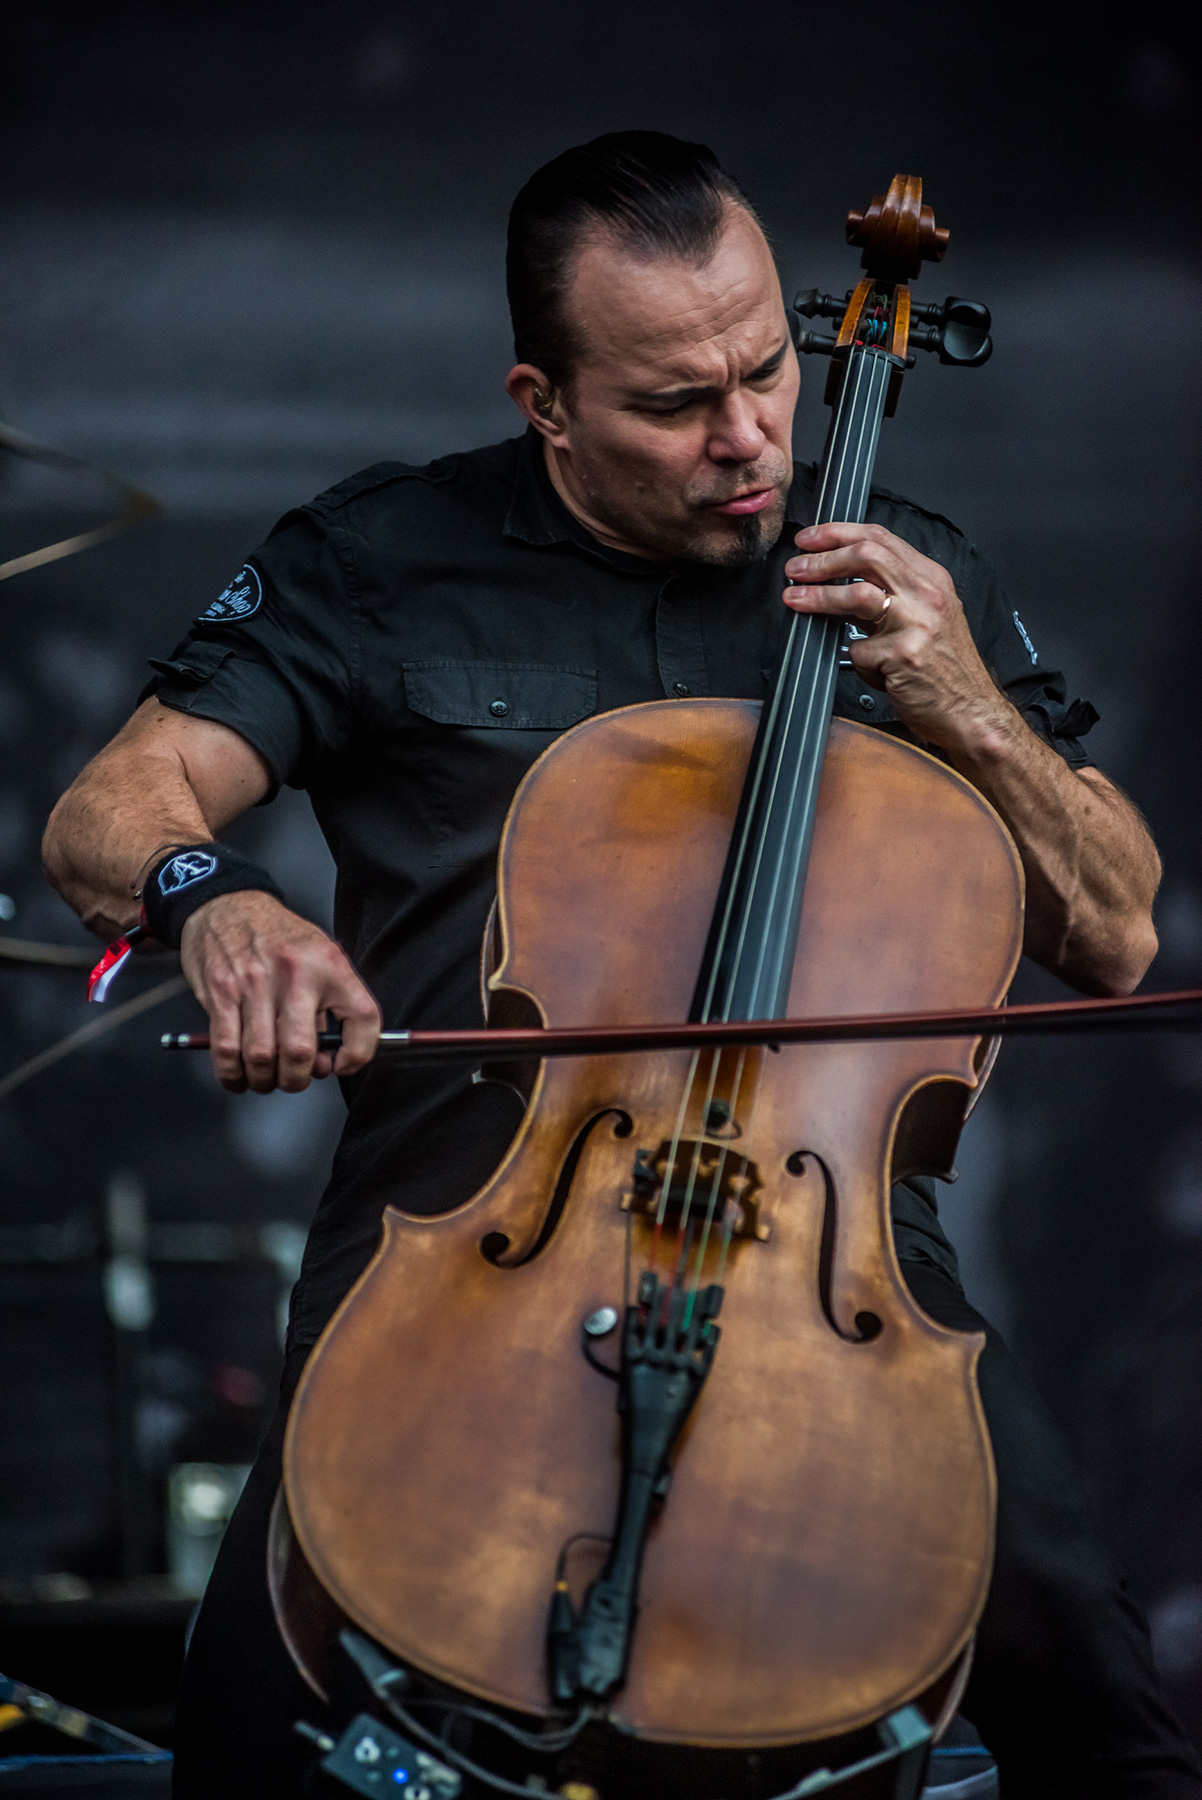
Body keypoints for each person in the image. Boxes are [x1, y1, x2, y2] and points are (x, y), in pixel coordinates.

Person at [43, 132, 1197, 1798]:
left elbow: (1114, 933)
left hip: (836, 1252)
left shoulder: (910, 582)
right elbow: (110, 811)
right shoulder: (378, 563)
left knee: (1111, 1731)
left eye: (764, 373)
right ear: (546, 402)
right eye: (672, 404)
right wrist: (219, 902)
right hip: (462, 1240)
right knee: (249, 1746)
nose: (744, 438)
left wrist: (965, 705)